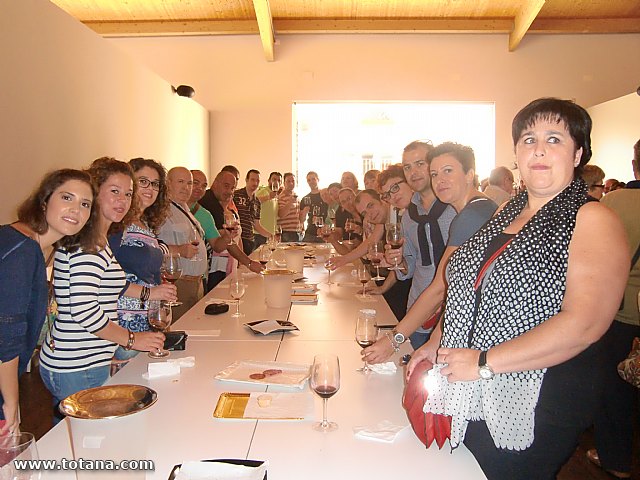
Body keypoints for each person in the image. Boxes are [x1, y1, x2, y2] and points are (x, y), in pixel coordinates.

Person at [407, 99, 628, 480]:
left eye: (554, 139)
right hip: (474, 380)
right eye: (528, 139)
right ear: (517, 154)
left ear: (578, 154)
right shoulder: (506, 211)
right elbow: (467, 288)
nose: (539, 149)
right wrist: (435, 342)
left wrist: (483, 363)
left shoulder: (592, 218)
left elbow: (585, 324)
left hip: (542, 392)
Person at [40, 158, 165, 415]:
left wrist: (149, 295)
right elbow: (85, 312)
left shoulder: (98, 239)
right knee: (85, 446)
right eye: (114, 192)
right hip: (77, 365)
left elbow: (112, 287)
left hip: (84, 360)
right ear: (95, 194)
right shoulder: (87, 246)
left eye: (128, 194)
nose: (123, 200)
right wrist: (132, 340)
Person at [364, 142, 497, 365]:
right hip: (442, 318)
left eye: (448, 171)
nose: (439, 180)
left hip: (475, 332)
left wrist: (393, 340)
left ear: (469, 174)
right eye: (435, 174)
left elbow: (441, 287)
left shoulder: (472, 215)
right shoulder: (472, 209)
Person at [0, 169, 95, 435]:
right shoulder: (23, 249)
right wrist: (11, 405)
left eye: (85, 204)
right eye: (67, 197)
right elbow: (6, 338)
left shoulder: (42, 248)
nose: (75, 210)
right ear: (44, 201)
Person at [588, 139, 640, 479]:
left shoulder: (618, 202)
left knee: (617, 386)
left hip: (625, 313)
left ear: (635, 165)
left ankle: (616, 459)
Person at [385, 142, 456, 348]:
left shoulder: (455, 207)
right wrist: (398, 261)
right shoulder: (409, 215)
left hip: (452, 313)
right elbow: (410, 265)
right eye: (407, 167)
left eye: (419, 164)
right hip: (418, 313)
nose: (413, 172)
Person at [108, 158, 178, 364]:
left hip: (144, 318)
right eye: (143, 181)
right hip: (123, 322)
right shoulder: (118, 223)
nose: (150, 188)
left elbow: (149, 275)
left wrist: (161, 304)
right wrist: (152, 293)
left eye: (155, 184)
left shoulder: (144, 224)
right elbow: (106, 278)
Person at [157, 167, 208, 320]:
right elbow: (152, 247)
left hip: (196, 283)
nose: (186, 187)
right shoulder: (161, 210)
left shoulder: (184, 208)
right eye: (181, 182)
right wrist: (179, 250)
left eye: (189, 183)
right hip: (179, 284)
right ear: (168, 183)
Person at [199, 170, 263, 290]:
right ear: (215, 184)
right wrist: (248, 263)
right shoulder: (210, 203)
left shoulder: (218, 203)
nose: (229, 191)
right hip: (213, 266)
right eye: (226, 186)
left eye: (232, 188)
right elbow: (223, 243)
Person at [233, 169, 271, 254]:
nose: (255, 183)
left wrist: (271, 236)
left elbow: (256, 225)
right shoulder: (236, 195)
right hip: (237, 239)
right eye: (253, 180)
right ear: (246, 180)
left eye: (257, 180)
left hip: (250, 240)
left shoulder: (257, 202)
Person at [254, 171, 282, 249]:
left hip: (270, 235)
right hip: (259, 235)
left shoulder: (276, 197)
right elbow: (254, 201)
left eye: (279, 180)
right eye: (274, 179)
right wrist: (268, 197)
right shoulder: (263, 191)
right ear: (269, 180)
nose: (276, 182)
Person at [300, 171, 328, 243]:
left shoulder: (325, 195)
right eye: (309, 180)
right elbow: (301, 220)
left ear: (318, 180)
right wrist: (304, 212)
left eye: (313, 179)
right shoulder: (305, 198)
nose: (311, 182)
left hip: (324, 234)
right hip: (310, 233)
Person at [277, 173, 304, 242]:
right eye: (288, 181)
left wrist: (303, 228)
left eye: (293, 181)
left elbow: (298, 215)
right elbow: (281, 214)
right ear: (284, 183)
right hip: (287, 233)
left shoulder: (296, 196)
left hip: (298, 232)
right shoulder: (281, 197)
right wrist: (290, 202)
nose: (291, 183)